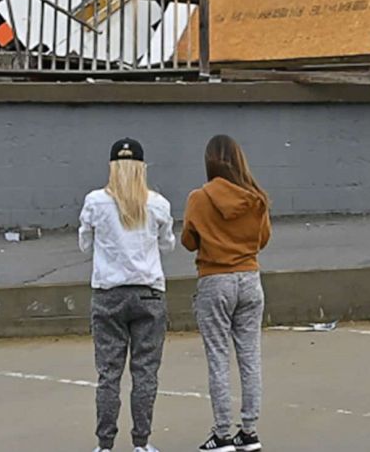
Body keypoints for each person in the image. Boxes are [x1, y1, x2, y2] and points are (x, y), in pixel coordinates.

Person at [79, 137, 175, 452]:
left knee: (108, 373)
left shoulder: (94, 201)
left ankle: (104, 444)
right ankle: (141, 443)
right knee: (145, 372)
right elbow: (166, 246)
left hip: (108, 293)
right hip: (148, 292)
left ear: (112, 167)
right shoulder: (158, 204)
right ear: (141, 168)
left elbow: (85, 245)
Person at [181, 135, 271, 452]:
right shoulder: (256, 198)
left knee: (218, 358)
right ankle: (248, 432)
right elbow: (262, 239)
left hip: (215, 279)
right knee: (250, 357)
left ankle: (221, 434)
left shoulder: (198, 198)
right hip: (249, 278)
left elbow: (189, 242)